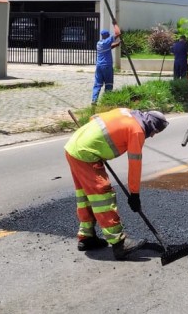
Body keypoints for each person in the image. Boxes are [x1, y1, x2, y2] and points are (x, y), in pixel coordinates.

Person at [64, 108, 169, 259]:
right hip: (85, 154)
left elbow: (95, 118)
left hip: (74, 147)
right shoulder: (137, 131)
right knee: (102, 195)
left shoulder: (125, 112)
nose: (152, 135)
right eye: (155, 132)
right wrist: (134, 194)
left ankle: (87, 238)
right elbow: (135, 165)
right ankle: (119, 244)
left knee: (86, 195)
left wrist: (95, 143)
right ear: (152, 126)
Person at [92, 22, 122, 104]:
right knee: (108, 84)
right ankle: (107, 101)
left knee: (97, 84)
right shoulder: (107, 41)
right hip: (107, 66)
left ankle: (94, 100)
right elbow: (118, 33)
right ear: (108, 36)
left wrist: (117, 44)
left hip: (99, 66)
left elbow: (110, 47)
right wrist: (115, 24)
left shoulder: (99, 43)